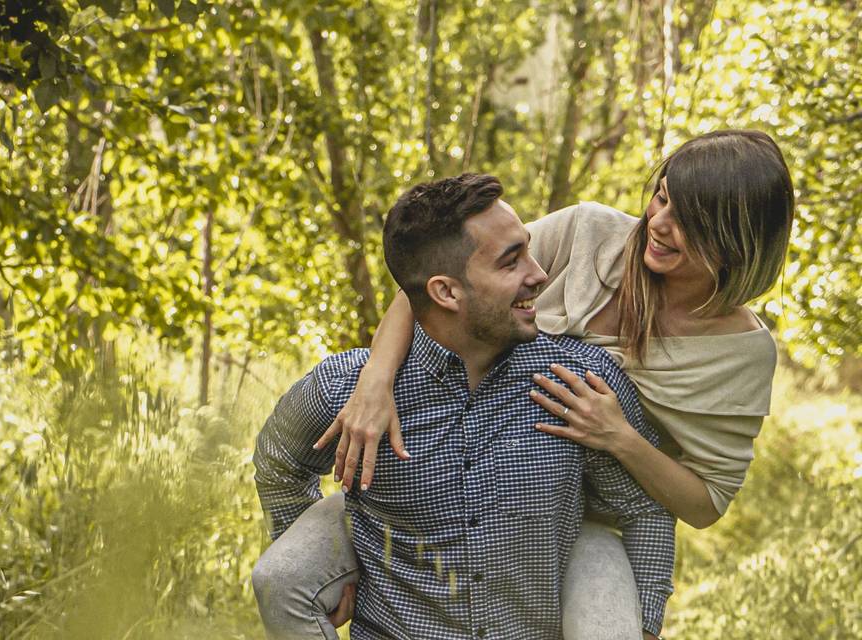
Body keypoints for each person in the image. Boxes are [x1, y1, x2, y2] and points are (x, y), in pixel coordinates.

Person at [303, 128, 795, 637]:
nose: (658, 222)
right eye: (662, 197)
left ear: (739, 239)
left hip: (590, 519)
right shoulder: (588, 234)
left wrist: (618, 438)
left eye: (688, 221)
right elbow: (435, 281)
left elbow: (705, 502)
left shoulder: (741, 355)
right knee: (283, 579)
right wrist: (374, 383)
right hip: (456, 486)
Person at [252, 174, 675, 640]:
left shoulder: (579, 384)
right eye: (511, 262)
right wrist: (328, 571)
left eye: (529, 251)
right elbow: (278, 462)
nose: (540, 274)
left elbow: (643, 509)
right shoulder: (348, 391)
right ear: (446, 292)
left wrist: (648, 624)